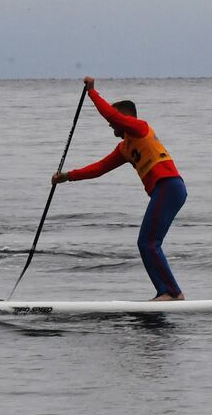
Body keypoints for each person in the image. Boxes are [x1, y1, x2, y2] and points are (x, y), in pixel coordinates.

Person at [53, 77, 187, 301]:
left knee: (148, 243)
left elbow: (111, 115)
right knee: (147, 243)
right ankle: (165, 292)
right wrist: (68, 176)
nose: (110, 125)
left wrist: (92, 93)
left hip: (169, 186)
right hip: (165, 190)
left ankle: (173, 293)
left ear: (125, 118)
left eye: (114, 122)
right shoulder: (125, 147)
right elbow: (100, 168)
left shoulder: (139, 128)